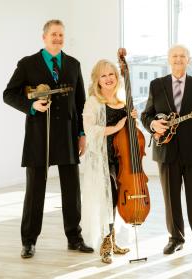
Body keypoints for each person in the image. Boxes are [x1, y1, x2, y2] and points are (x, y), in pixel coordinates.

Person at [3, 19, 93, 258]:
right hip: (38, 135)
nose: (57, 38)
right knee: (35, 190)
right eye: (53, 34)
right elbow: (8, 94)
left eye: (61, 35)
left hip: (67, 134)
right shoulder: (27, 64)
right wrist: (32, 106)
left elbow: (81, 103)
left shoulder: (74, 64)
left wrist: (81, 134)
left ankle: (74, 238)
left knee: (71, 189)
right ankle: (28, 241)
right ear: (44, 37)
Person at [141, 44, 192, 257]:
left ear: (189, 60)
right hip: (166, 151)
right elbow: (147, 115)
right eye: (174, 56)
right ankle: (175, 239)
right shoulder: (157, 85)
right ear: (168, 59)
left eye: (182, 56)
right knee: (171, 198)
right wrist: (153, 125)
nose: (178, 59)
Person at [81, 59, 134, 264]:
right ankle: (105, 243)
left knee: (119, 199)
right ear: (98, 80)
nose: (108, 78)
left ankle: (113, 240)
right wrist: (117, 126)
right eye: (103, 75)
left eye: (111, 74)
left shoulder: (122, 100)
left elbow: (131, 133)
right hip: (104, 159)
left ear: (117, 77)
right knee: (107, 200)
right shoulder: (93, 101)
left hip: (123, 159)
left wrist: (132, 118)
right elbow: (90, 130)